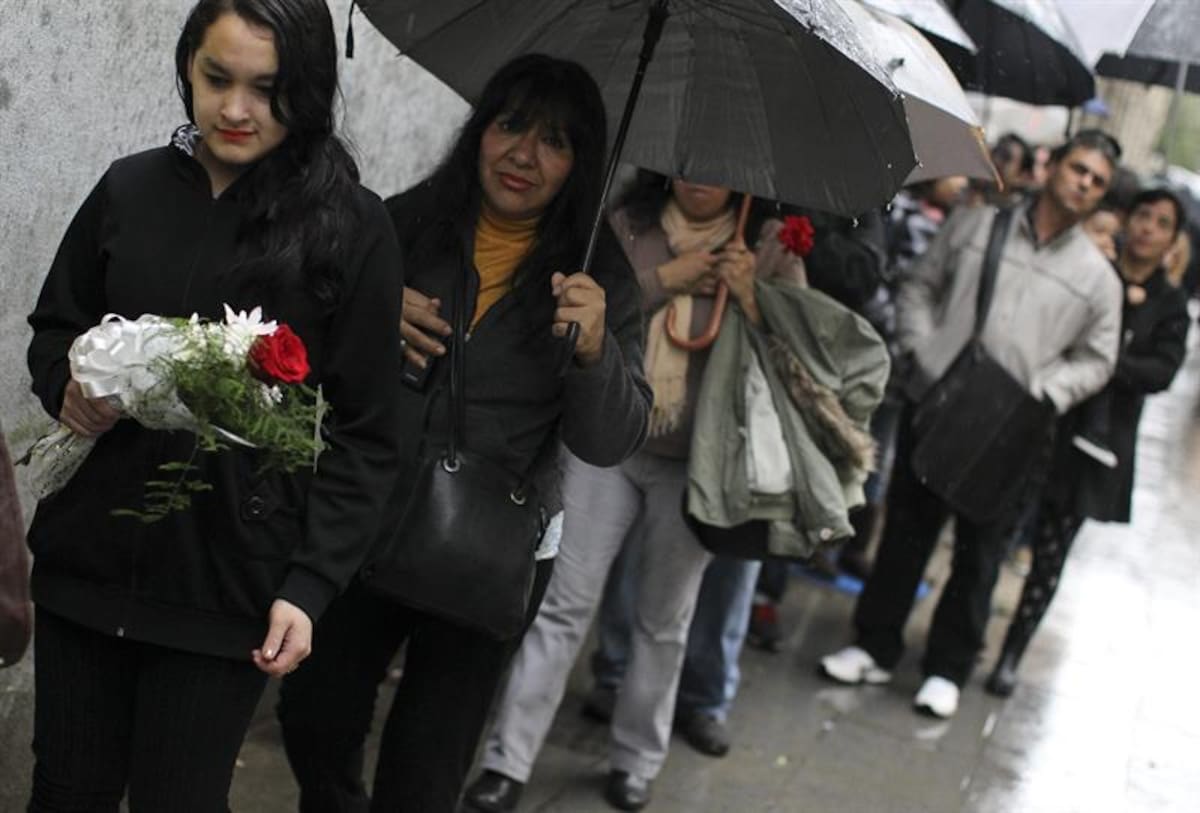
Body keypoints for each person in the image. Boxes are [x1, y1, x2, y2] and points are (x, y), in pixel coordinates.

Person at [23, 1, 406, 809]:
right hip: (86, 566)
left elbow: (368, 435)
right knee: (65, 792)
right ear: (187, 65)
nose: (235, 109)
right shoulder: (129, 188)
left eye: (267, 88)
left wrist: (309, 585)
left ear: (306, 89)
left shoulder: (350, 230)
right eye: (217, 78)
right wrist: (66, 384)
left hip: (228, 588)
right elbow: (57, 323)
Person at [275, 54, 651, 813]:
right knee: (315, 716)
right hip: (370, 518)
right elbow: (304, 348)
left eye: (556, 141)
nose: (524, 155)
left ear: (581, 164)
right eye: (510, 125)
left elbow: (610, 440)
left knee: (426, 766)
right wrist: (371, 312)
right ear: (479, 131)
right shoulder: (403, 225)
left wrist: (593, 351)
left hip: (494, 545)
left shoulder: (600, 277)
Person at [462, 172, 805, 813]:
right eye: (691, 161)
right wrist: (670, 280)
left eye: (720, 166)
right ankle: (506, 763)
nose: (701, 179)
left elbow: (799, 355)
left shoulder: (767, 244)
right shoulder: (628, 224)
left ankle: (635, 762)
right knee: (563, 605)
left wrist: (751, 294)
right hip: (609, 446)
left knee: (663, 621)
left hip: (698, 461)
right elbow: (589, 312)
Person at [819, 130, 1126, 719]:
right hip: (939, 403)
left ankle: (947, 667)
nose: (1084, 183)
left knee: (981, 551)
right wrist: (925, 356)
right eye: (1078, 168)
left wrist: (1044, 393)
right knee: (908, 530)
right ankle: (873, 645)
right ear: (1053, 164)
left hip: (1014, 427)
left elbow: (1098, 359)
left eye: (1097, 181)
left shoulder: (1098, 279)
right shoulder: (978, 225)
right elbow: (918, 288)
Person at [986, 188, 1191, 696]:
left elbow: (1160, 372)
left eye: (1161, 223)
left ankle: (1012, 652)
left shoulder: (1170, 306)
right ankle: (966, 637)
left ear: (1171, 239)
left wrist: (1103, 362)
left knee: (1050, 553)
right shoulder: (1094, 272)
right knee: (995, 530)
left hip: (1095, 446)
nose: (1147, 228)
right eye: (1142, 215)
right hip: (1045, 421)